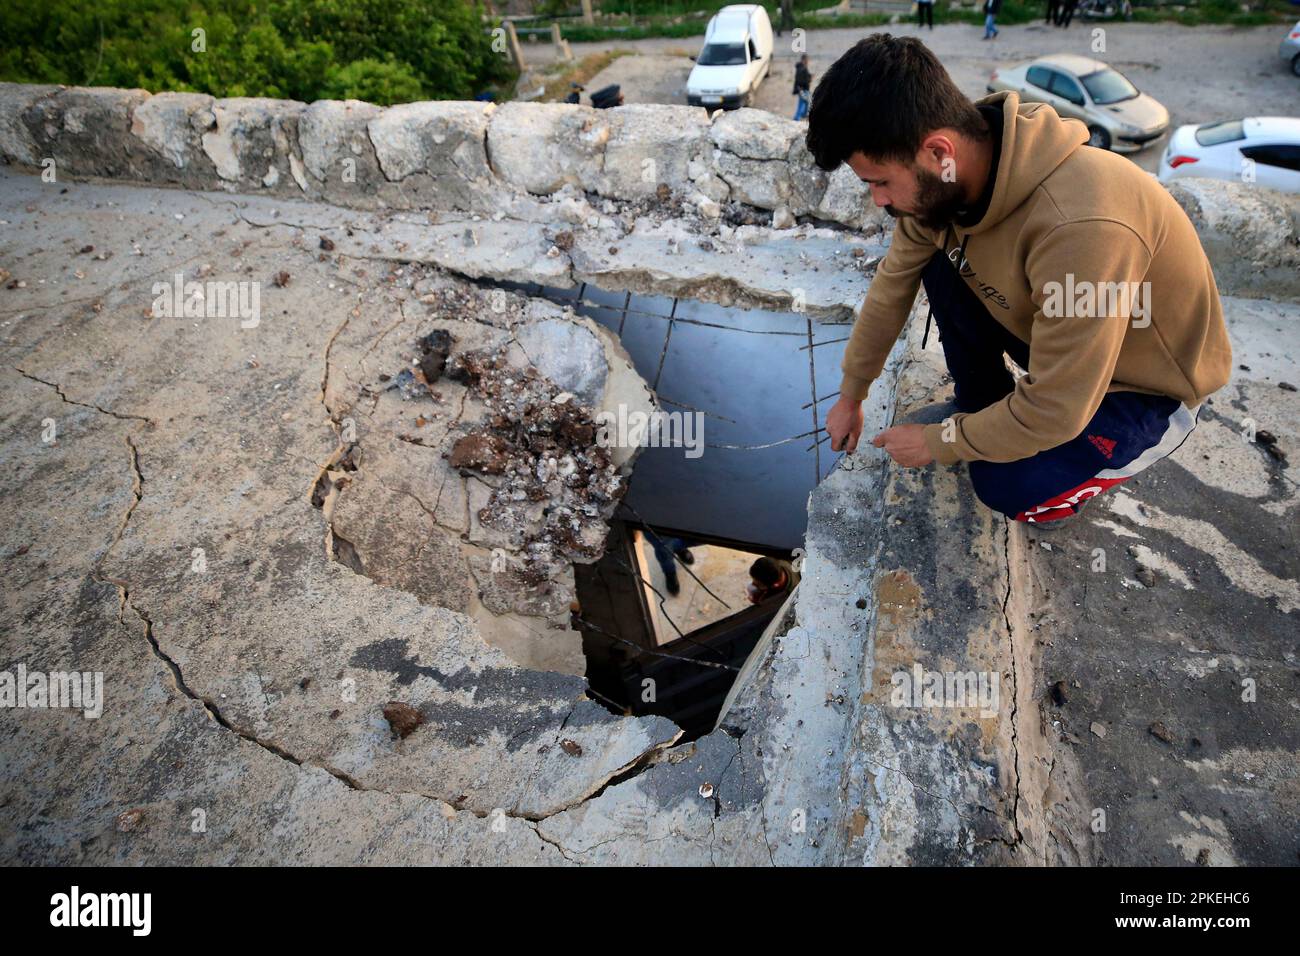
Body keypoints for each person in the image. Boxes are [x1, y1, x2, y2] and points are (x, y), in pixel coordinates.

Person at [805, 35, 1231, 525]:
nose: (879, 200)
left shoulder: (1081, 225)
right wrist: (851, 394)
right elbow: (890, 288)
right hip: (1059, 339)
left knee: (1006, 487)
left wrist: (941, 441)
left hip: (1142, 385)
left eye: (879, 182)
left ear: (938, 151)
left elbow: (1056, 409)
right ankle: (985, 405)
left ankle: (1066, 474)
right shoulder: (943, 187)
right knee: (939, 264)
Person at [792, 55, 813, 121]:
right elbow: (801, 80)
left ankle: (802, 115)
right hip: (803, 89)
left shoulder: (801, 67)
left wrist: (809, 76)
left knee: (806, 102)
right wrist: (809, 79)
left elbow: (804, 77)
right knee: (801, 104)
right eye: (807, 60)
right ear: (803, 60)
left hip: (803, 89)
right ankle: (797, 118)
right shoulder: (802, 68)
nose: (807, 62)